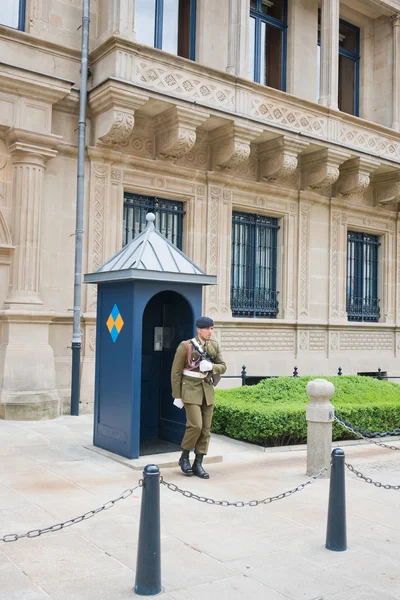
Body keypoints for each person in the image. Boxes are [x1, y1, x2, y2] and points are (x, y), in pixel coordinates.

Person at [171, 316, 227, 479]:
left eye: (212, 328)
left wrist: (212, 366)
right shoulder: (186, 346)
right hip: (190, 389)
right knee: (195, 426)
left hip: (207, 390)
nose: (210, 332)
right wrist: (177, 395)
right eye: (208, 329)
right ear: (199, 329)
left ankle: (198, 463)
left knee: (205, 429)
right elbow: (175, 373)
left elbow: (223, 366)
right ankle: (184, 457)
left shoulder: (214, 346)